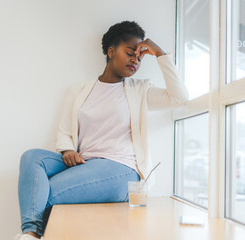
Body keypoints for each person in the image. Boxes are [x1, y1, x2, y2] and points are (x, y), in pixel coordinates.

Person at [14, 20, 189, 240]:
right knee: (32, 157)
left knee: (45, 193)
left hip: (121, 168)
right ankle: (30, 234)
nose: (135, 60)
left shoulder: (140, 90)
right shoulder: (78, 90)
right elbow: (64, 132)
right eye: (130, 53)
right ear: (111, 51)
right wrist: (67, 149)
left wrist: (161, 54)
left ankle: (31, 234)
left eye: (140, 57)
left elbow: (179, 98)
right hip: (83, 162)